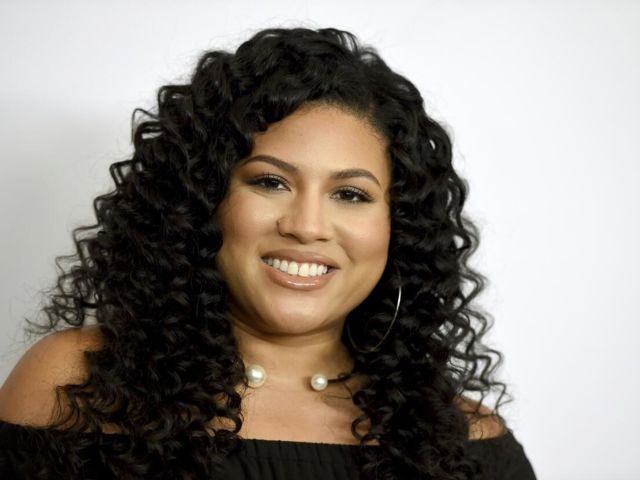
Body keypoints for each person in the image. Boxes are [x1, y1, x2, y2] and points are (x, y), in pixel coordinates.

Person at [0, 27, 536, 479]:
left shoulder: (467, 445)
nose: (306, 226)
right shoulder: (78, 389)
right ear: (203, 200)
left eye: (351, 194)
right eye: (270, 182)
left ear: (401, 228)